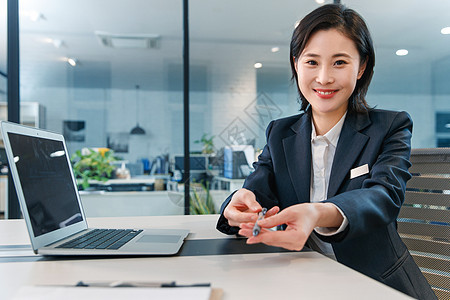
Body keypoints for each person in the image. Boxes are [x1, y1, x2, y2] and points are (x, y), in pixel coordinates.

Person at [216, 4, 436, 299]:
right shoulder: (280, 133)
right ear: (296, 64)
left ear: (361, 66)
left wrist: (317, 213)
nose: (323, 78)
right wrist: (237, 204)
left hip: (376, 284)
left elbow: (383, 196)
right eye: (311, 62)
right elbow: (257, 191)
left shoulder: (390, 126)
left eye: (340, 62)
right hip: (303, 280)